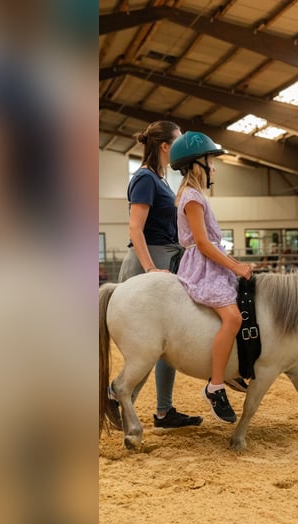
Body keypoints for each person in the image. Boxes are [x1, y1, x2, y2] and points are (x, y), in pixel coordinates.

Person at [117, 121, 203, 430]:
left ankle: (164, 411)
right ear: (165, 146)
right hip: (149, 261)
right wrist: (150, 267)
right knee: (149, 345)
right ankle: (118, 405)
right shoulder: (144, 179)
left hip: (165, 258)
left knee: (167, 342)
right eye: (177, 141)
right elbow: (135, 228)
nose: (181, 147)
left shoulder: (160, 179)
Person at [170, 131, 253, 423]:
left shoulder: (196, 195)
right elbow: (203, 244)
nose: (214, 167)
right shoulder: (192, 197)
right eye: (210, 161)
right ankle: (215, 385)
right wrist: (235, 267)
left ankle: (232, 369)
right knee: (233, 318)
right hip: (202, 265)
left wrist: (233, 263)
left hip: (210, 261)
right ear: (197, 164)